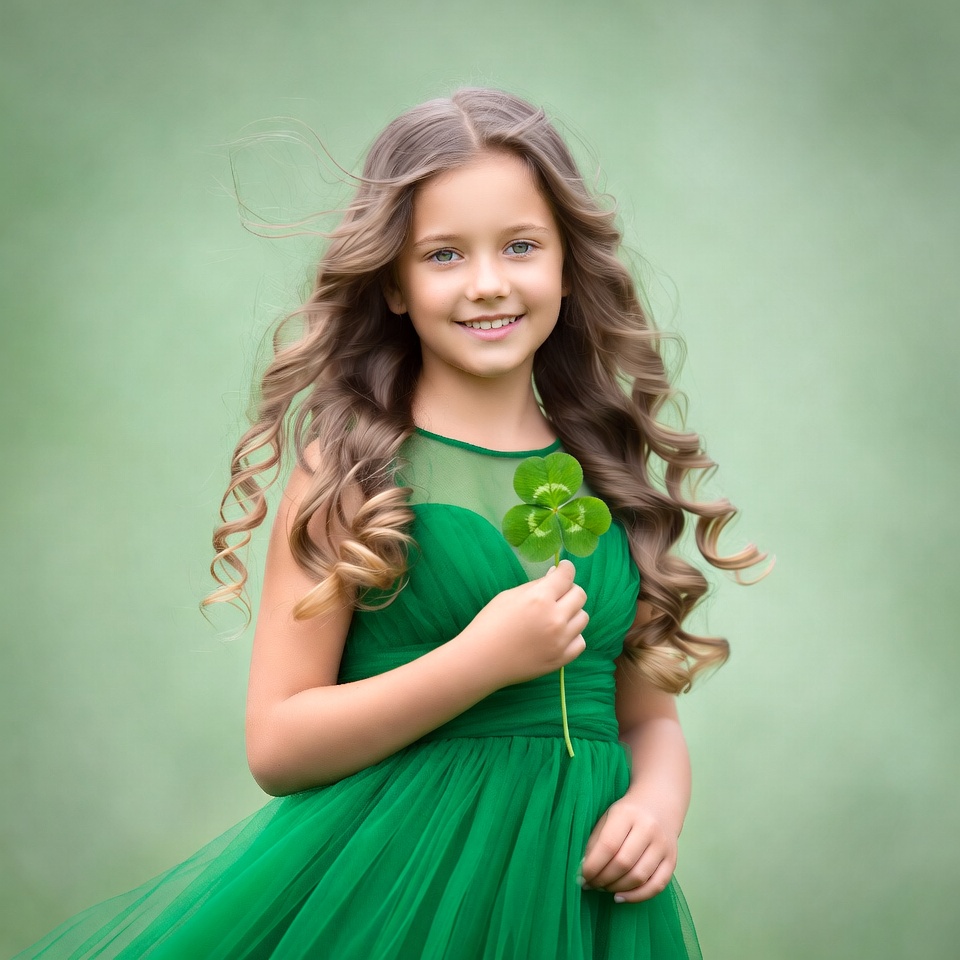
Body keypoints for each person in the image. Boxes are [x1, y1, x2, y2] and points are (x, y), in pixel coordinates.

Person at [16, 88, 766, 959]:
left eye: (521, 246)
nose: (489, 282)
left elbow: (645, 720)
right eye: (444, 255)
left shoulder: (605, 471)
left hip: (582, 905)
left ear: (566, 263)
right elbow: (279, 742)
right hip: (403, 899)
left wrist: (656, 804)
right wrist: (478, 664)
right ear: (397, 286)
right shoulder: (353, 475)